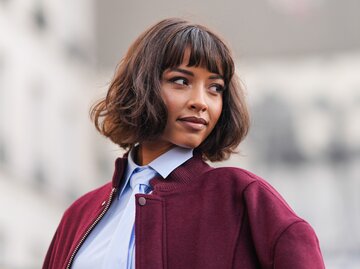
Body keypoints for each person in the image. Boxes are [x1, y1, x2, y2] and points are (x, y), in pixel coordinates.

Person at [43, 18, 325, 269]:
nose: (200, 102)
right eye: (180, 81)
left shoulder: (243, 197)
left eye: (215, 88)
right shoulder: (79, 215)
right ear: (141, 86)